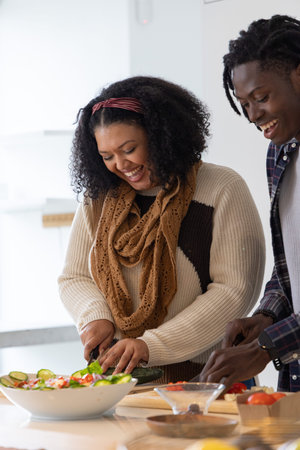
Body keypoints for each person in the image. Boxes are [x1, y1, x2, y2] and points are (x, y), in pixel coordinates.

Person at [58, 75, 265, 383]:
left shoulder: (221, 188)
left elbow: (234, 292)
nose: (120, 164)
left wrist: (150, 346)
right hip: (120, 385)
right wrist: (95, 317)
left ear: (160, 136)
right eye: (107, 156)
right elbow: (74, 277)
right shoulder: (97, 199)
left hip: (207, 382)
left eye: (129, 148)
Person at [200, 15, 300, 392]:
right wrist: (266, 316)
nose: (253, 115)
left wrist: (267, 346)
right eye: (244, 104)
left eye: (261, 97)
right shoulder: (280, 155)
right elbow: (290, 264)